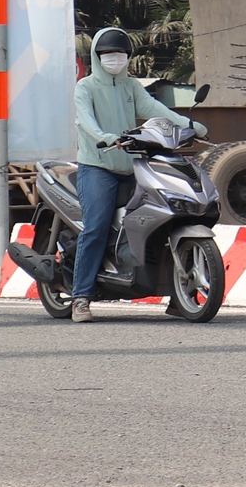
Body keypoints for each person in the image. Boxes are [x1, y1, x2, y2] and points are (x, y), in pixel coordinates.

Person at [71, 26, 200, 321]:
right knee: (96, 227)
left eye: (120, 53)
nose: (114, 58)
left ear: (128, 56)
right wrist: (103, 136)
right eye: (108, 54)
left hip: (131, 166)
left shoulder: (131, 87)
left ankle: (177, 295)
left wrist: (190, 125)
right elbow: (85, 120)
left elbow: (154, 108)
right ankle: (81, 297)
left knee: (161, 217)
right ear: (97, 56)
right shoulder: (86, 87)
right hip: (97, 168)